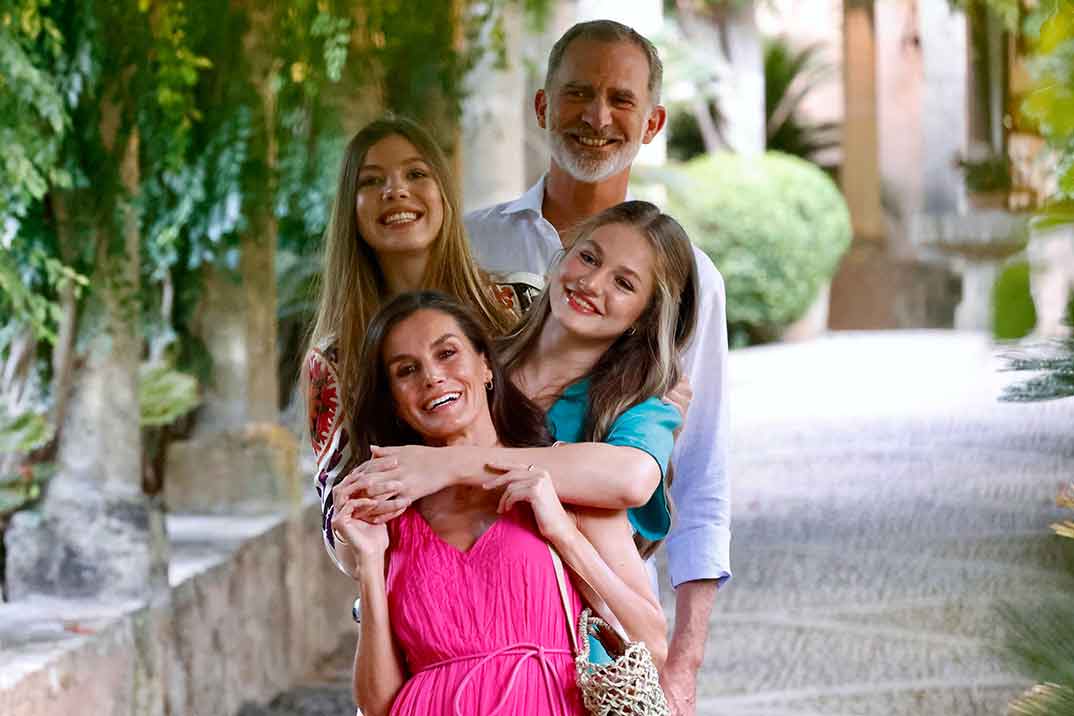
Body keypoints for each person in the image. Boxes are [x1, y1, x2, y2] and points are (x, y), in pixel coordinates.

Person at [463, 19, 731, 715]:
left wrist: (683, 665)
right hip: (457, 603)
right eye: (578, 93)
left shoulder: (691, 278)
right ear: (543, 106)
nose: (596, 116)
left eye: (621, 98)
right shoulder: (469, 245)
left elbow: (699, 474)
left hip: (589, 624)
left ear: (653, 122)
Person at [307, 117, 681, 577]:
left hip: (567, 578)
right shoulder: (336, 358)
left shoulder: (516, 301)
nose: (396, 190)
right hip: (429, 582)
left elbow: (621, 448)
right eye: (372, 181)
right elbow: (339, 518)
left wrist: (655, 385)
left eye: (416, 174)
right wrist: (371, 557)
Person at [334, 291, 668, 716]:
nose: (433, 377)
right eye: (406, 370)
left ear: (486, 365)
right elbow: (379, 705)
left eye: (448, 353)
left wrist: (563, 535)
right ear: (394, 402)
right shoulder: (389, 519)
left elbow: (652, 645)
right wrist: (368, 565)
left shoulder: (563, 480)